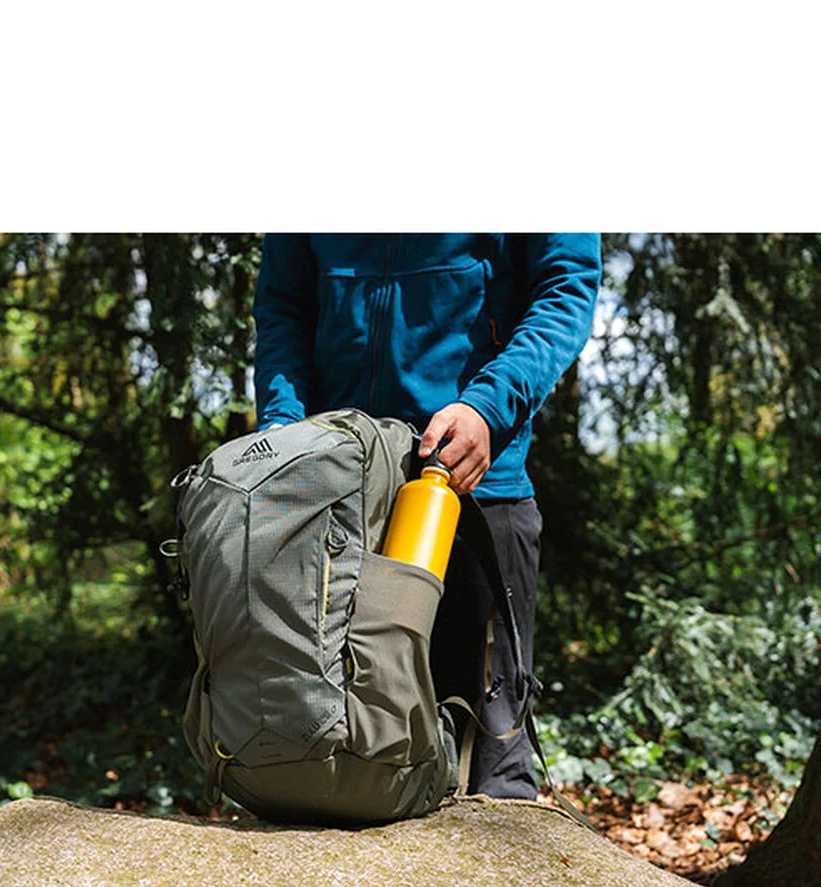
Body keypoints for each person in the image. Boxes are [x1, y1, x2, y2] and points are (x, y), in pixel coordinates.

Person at [251, 234, 602, 799]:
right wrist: (283, 427)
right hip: (337, 489)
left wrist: (488, 407)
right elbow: (283, 305)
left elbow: (566, 287)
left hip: (471, 489)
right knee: (346, 755)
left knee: (490, 772)